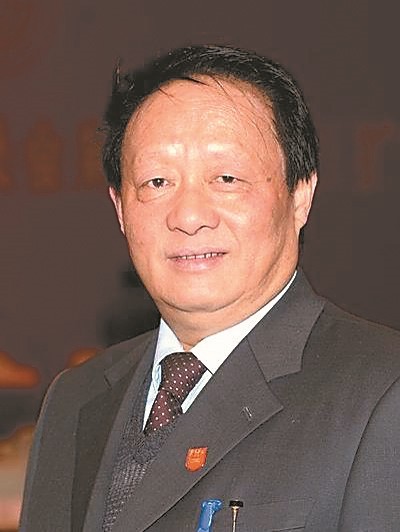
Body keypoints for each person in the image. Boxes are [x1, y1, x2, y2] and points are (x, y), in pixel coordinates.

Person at [20, 45, 400, 532]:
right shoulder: (74, 400)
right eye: (157, 182)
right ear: (120, 209)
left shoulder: (381, 392)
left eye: (226, 177)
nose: (188, 216)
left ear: (300, 195)